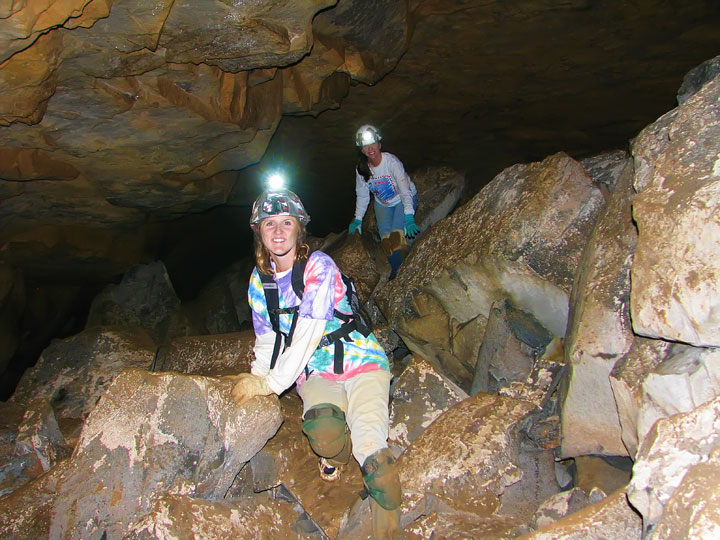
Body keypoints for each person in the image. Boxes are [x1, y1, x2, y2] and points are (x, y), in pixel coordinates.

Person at [231, 187, 405, 540]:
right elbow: (267, 339)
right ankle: (335, 458)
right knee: (323, 433)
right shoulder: (258, 282)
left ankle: (389, 531)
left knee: (373, 455)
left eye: (286, 222)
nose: (278, 231)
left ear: (299, 229)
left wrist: (272, 385)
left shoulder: (318, 267)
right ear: (258, 232)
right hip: (318, 370)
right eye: (269, 224)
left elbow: (309, 330)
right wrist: (257, 376)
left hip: (363, 360)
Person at [348, 124, 420, 280]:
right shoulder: (361, 169)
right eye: (366, 146)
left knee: (396, 236)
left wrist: (408, 215)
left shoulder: (391, 162)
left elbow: (404, 190)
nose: (370, 148)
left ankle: (405, 273)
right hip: (382, 204)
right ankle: (397, 272)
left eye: (373, 144)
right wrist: (358, 219)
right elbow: (362, 195)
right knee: (386, 241)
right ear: (361, 149)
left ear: (379, 144)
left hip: (402, 198)